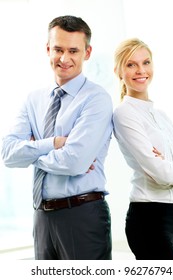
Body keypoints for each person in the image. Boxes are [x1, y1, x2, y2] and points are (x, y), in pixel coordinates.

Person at [1, 15, 113, 260]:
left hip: (82, 214)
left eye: (73, 50)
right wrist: (51, 145)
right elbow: (7, 154)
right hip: (41, 217)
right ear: (47, 49)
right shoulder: (34, 99)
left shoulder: (96, 98)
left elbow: (74, 162)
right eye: (58, 49)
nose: (64, 58)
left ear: (87, 52)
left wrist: (31, 153)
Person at [113, 38, 173, 260]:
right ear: (118, 71)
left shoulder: (162, 117)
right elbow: (164, 174)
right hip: (149, 217)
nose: (141, 70)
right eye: (131, 64)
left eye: (146, 62)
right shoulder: (124, 114)